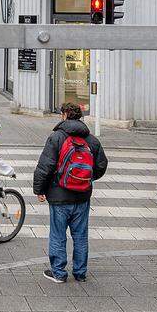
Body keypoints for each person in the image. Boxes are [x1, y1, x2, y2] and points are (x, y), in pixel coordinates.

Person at [33, 102, 109, 284]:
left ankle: (59, 273)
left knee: (58, 235)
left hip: (59, 195)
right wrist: (85, 179)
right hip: (82, 196)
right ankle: (80, 273)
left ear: (65, 115)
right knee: (80, 235)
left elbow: (45, 166)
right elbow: (101, 165)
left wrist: (39, 189)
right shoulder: (91, 140)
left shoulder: (57, 137)